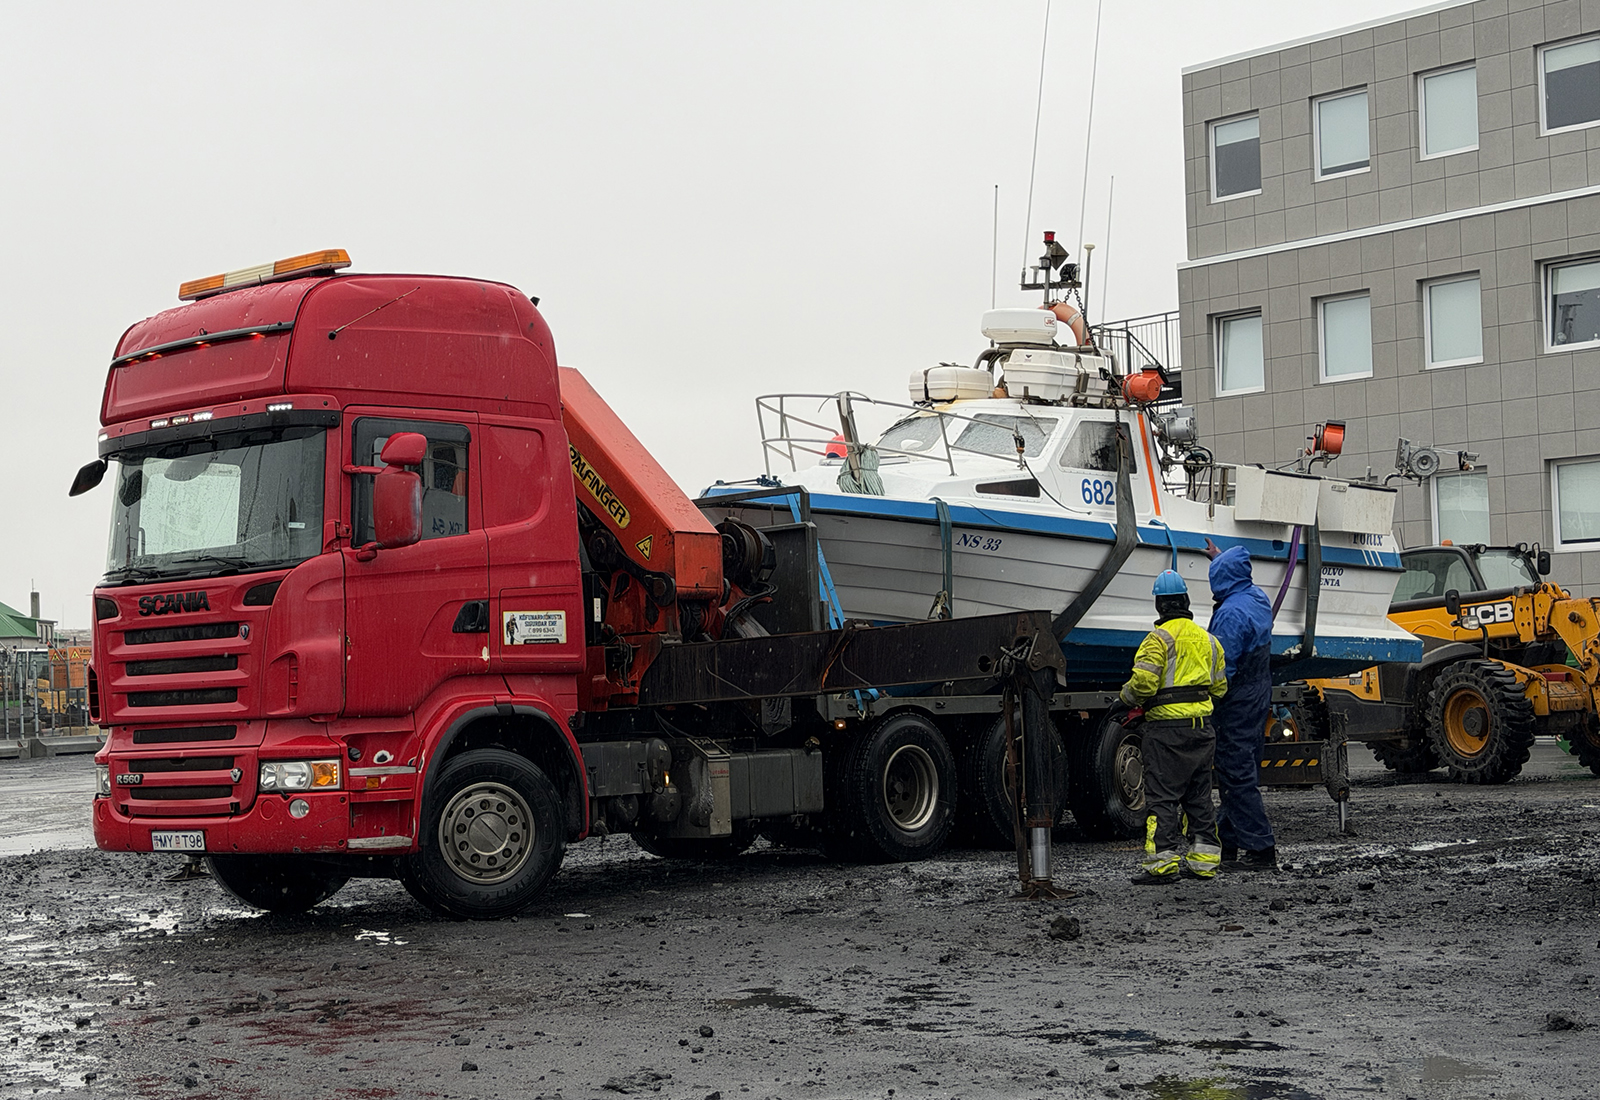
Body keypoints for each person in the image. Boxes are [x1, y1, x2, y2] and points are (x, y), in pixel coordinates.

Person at [1119, 569, 1229, 885]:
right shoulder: (1210, 641)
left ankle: (1163, 865)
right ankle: (1204, 863)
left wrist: (1122, 699)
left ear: (1159, 606)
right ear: (1186, 601)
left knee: (1163, 798)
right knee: (1199, 798)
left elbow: (1143, 684)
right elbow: (1220, 688)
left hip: (1167, 732)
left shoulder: (1158, 640)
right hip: (1202, 731)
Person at [1206, 542, 1278, 871]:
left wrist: (1204, 700)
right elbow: (1236, 579)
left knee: (1235, 773)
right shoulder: (1256, 598)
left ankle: (1260, 847)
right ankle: (1228, 843)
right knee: (1241, 767)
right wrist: (1221, 558)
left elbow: (1222, 668)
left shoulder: (1230, 615)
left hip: (1236, 698)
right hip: (1259, 690)